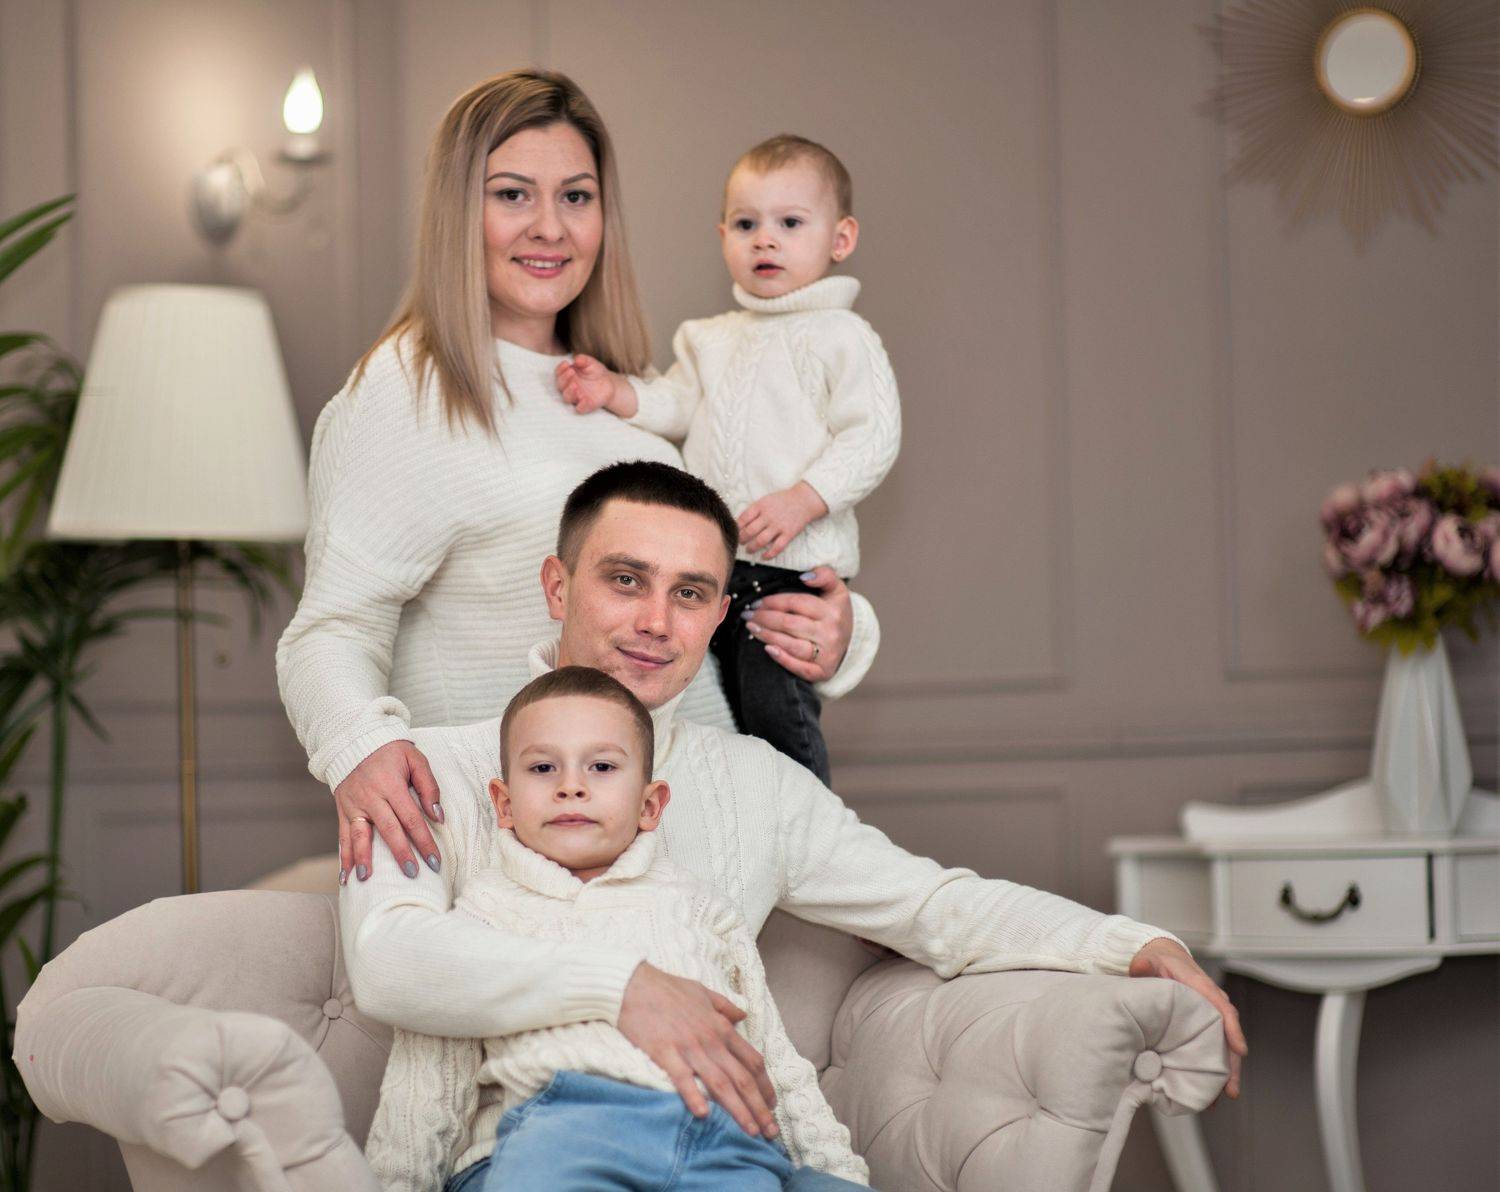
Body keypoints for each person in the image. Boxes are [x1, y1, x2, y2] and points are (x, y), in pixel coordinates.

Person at [342, 462, 1248, 1159]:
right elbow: (389, 961)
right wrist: (623, 987)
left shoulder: (757, 783)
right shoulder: (431, 767)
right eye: (625, 580)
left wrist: (1130, 945)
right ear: (557, 586)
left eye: (690, 593)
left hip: (722, 1152)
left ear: (717, 615)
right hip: (541, 1158)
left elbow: (934, 906)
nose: (656, 621)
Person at [275, 71, 882, 889]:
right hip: (530, 866)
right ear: (458, 211)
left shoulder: (630, 391)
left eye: (576, 197)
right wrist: (361, 747)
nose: (551, 228)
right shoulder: (404, 393)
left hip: (702, 844)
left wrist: (841, 634)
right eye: (512, 195)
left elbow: (709, 594)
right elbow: (330, 630)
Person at [366, 666, 870, 1191]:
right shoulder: (483, 915)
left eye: (602, 766)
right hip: (560, 1134)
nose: (571, 787)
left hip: (719, 1142)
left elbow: (771, 1058)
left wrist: (837, 1171)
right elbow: (425, 1084)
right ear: (505, 804)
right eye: (542, 767)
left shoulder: (699, 909)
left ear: (650, 805)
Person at [555, 134, 899, 784]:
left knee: (776, 716)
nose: (765, 240)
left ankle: (805, 827)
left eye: (790, 223)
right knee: (704, 719)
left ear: (840, 238)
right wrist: (616, 392)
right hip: (709, 573)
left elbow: (872, 436)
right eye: (746, 225)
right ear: (723, 237)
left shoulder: (842, 336)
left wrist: (804, 499)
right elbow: (676, 404)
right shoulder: (709, 339)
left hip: (791, 575)